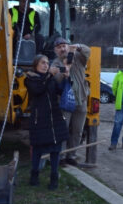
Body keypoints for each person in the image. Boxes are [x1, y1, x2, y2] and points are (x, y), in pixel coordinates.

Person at [25, 54, 69, 190]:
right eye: (42, 63)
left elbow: (60, 91)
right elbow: (38, 90)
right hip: (40, 120)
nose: (45, 65)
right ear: (35, 65)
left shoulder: (50, 79)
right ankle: (34, 177)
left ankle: (54, 179)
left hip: (55, 118)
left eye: (47, 63)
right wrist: (50, 75)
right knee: (38, 151)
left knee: (55, 151)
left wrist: (67, 79)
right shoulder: (30, 79)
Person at [50, 37, 90, 165]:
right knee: (63, 129)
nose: (62, 48)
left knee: (77, 130)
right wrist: (64, 70)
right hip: (65, 102)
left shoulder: (79, 57)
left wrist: (78, 46)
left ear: (68, 46)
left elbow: (88, 51)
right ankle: (61, 156)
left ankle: (71, 155)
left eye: (64, 46)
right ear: (55, 50)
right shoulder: (55, 63)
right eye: (59, 47)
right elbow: (57, 78)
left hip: (81, 99)